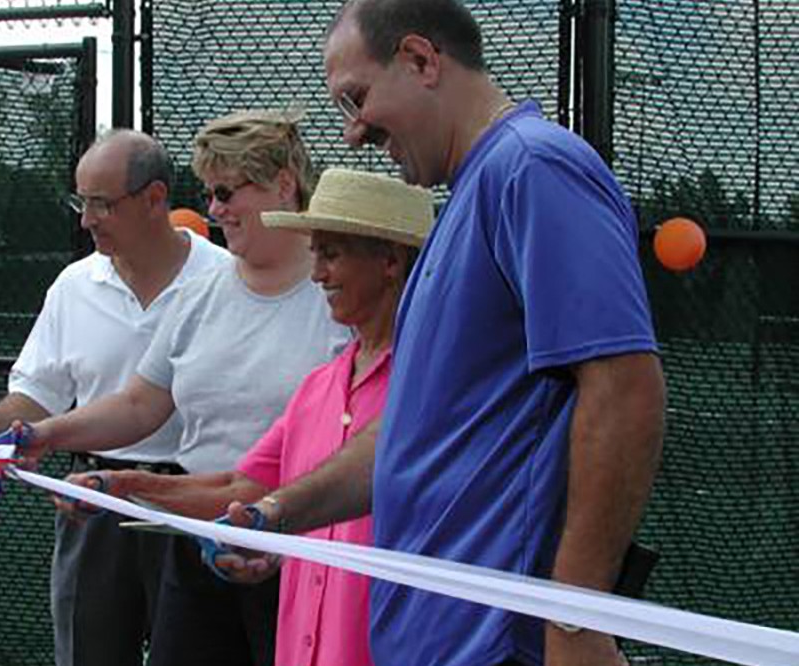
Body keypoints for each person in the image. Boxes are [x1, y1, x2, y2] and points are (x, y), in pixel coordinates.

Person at [221, 2, 667, 666]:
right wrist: (278, 515)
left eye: (356, 98)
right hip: (430, 641)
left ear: (421, 60)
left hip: (497, 644)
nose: (352, 132)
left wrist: (575, 618)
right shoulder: (469, 196)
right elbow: (415, 434)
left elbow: (624, 388)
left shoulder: (534, 167)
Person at [59, 168, 434, 666]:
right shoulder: (318, 389)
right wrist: (119, 486)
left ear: (390, 261)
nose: (317, 274)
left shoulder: (437, 390)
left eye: (332, 254)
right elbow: (241, 487)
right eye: (315, 254)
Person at [20, 110, 351, 666]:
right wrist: (44, 433)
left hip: (304, 548)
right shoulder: (199, 293)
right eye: (208, 193)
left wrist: (282, 523)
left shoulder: (338, 294)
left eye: (225, 192)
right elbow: (139, 404)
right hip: (198, 545)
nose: (214, 210)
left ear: (284, 185)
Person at [0, 130, 231, 666]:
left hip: (196, 507)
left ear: (155, 198)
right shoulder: (73, 286)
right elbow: (37, 397)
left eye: (102, 204)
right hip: (92, 506)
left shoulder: (226, 279)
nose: (86, 220)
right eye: (80, 202)